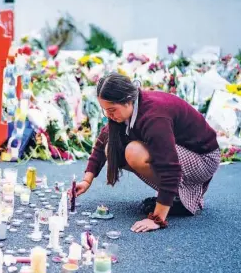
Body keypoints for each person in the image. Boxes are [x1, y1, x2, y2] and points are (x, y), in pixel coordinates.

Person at [73, 72, 220, 233]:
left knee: (134, 152)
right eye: (105, 110)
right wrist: (86, 181)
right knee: (112, 147)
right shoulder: (129, 109)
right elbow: (102, 143)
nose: (109, 115)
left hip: (203, 158)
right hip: (183, 152)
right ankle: (174, 196)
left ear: (128, 100)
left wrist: (157, 219)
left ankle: (176, 200)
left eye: (112, 110)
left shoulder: (154, 117)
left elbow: (170, 169)